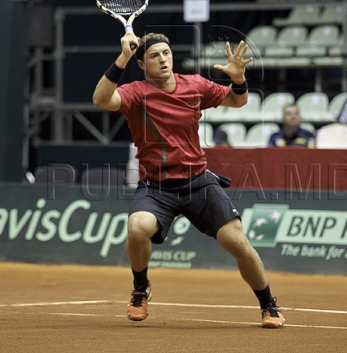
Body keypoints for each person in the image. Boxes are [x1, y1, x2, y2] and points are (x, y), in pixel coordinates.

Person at [92, 30, 285, 329]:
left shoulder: (194, 85)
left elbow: (238, 102)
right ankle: (140, 288)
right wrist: (123, 57)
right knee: (137, 227)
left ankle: (268, 304)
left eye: (166, 53)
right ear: (142, 65)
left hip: (198, 181)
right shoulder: (135, 92)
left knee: (236, 240)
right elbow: (101, 99)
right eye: (154, 56)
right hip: (156, 187)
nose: (162, 59)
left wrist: (238, 79)